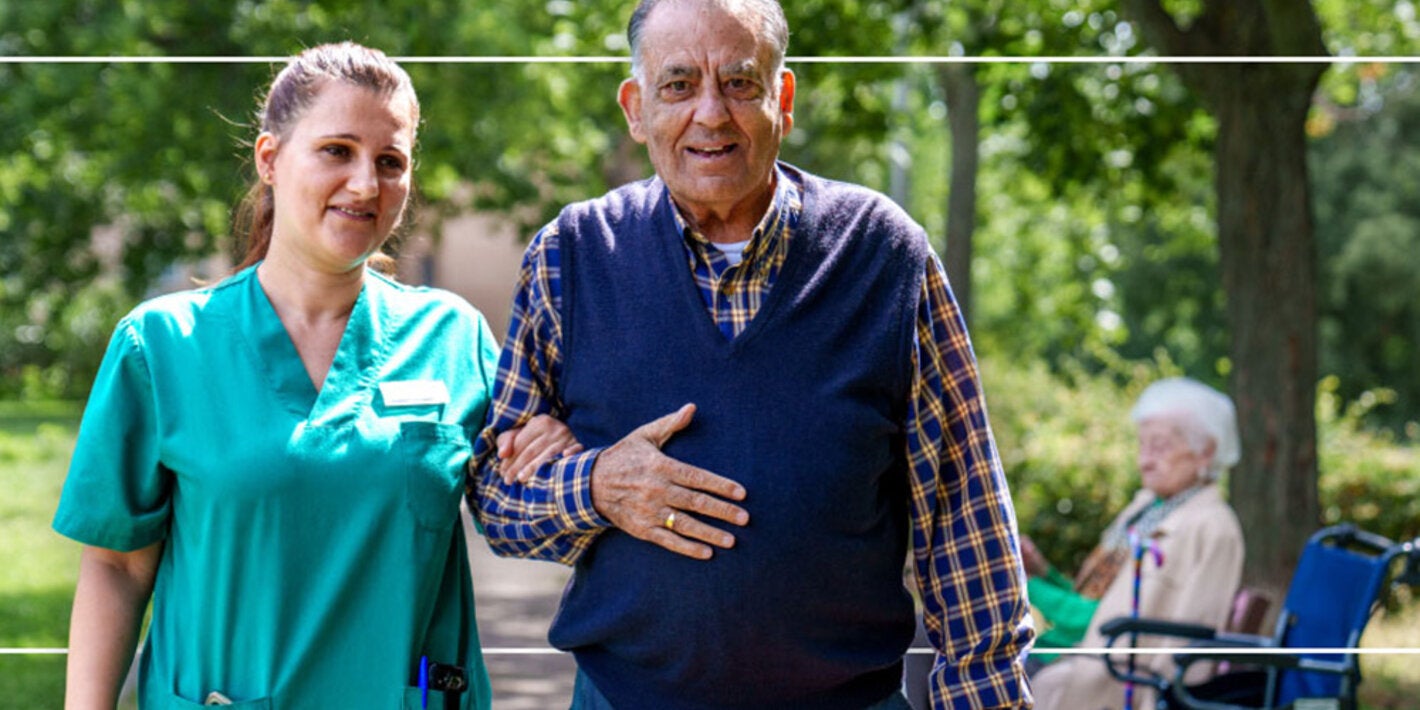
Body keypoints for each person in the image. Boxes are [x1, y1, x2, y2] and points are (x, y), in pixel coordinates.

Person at [469, 1, 1035, 708]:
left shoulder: (884, 255)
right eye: (678, 86)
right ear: (636, 108)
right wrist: (595, 486)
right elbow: (496, 499)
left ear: (782, 98)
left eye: (739, 83)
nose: (711, 114)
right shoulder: (571, 256)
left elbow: (964, 516)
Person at [53, 42, 577, 708]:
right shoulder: (161, 347)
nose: (365, 183)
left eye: (391, 161)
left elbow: (521, 498)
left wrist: (557, 453)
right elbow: (116, 563)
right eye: (337, 150)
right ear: (269, 159)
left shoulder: (452, 336)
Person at [1026, 377, 1245, 710]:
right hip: (1073, 655)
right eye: (1141, 445)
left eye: (1159, 447)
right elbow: (1099, 598)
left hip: (1111, 678)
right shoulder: (1147, 508)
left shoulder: (1211, 527)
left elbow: (1104, 622)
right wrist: (1043, 573)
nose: (1144, 461)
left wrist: (1017, 584)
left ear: (1207, 452)